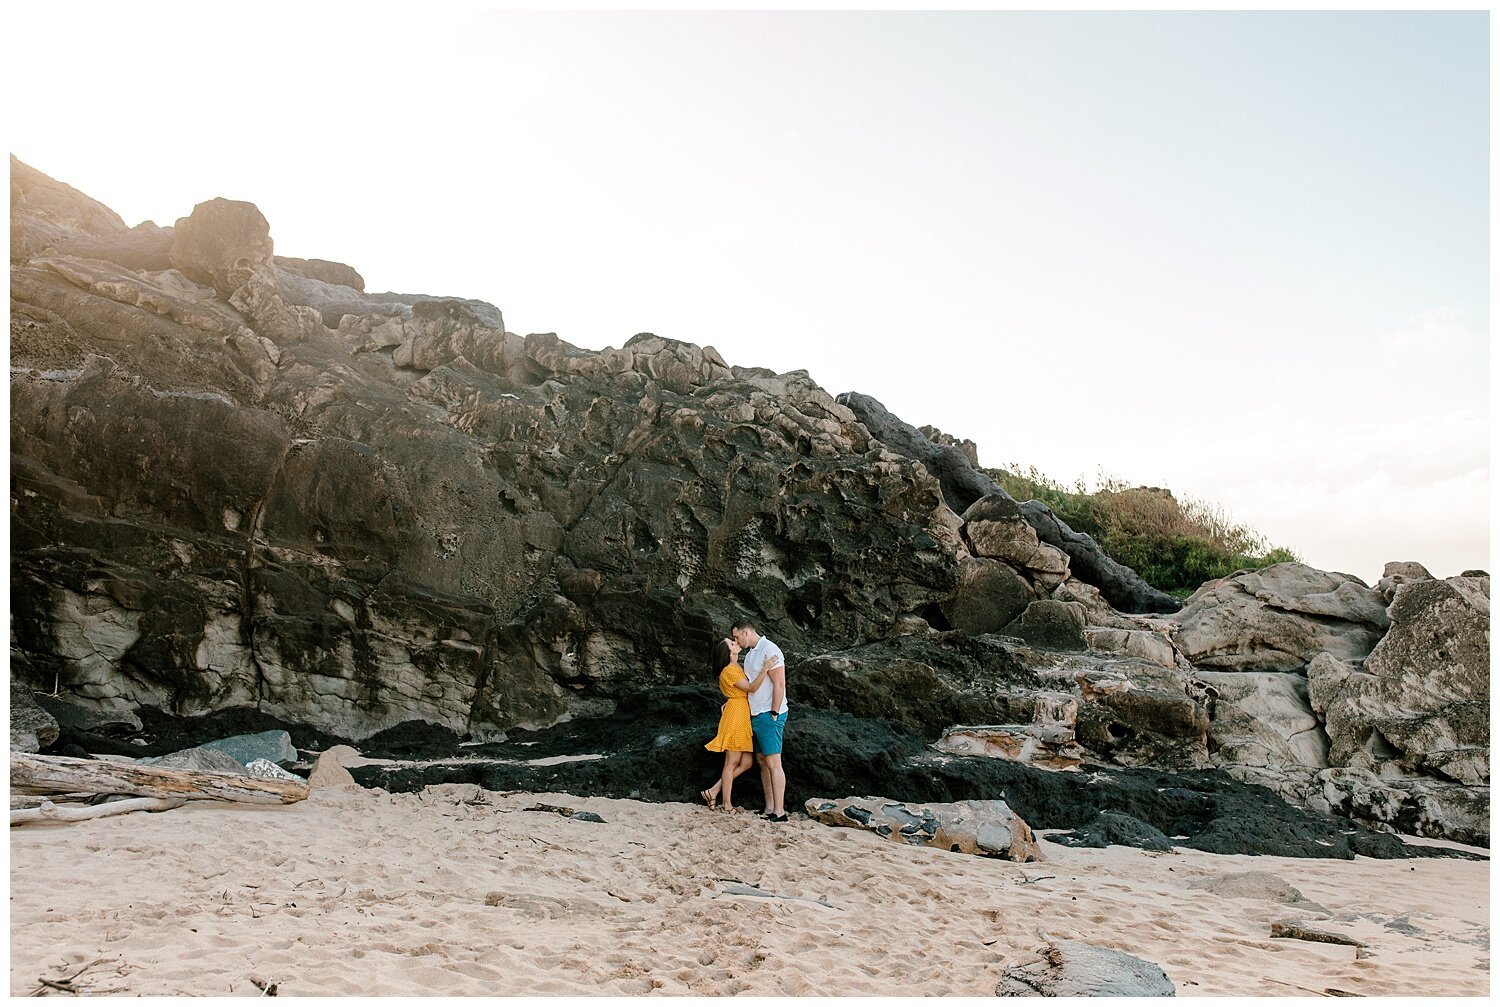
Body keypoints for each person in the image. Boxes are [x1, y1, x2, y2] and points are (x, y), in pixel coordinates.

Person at [699, 637, 778, 813]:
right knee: (732, 762)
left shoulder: (734, 667)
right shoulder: (730, 670)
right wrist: (765, 668)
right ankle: (727, 805)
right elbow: (750, 688)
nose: (736, 643)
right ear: (728, 652)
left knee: (747, 763)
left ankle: (713, 791)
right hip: (736, 715)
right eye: (732, 644)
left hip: (740, 712)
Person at [731, 618, 789, 822]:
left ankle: (780, 812)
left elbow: (779, 684)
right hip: (755, 713)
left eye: (737, 637)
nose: (736, 641)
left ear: (746, 632)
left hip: (769, 714)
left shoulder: (770, 649)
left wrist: (774, 712)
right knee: (762, 761)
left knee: (774, 762)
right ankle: (770, 808)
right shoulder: (750, 655)